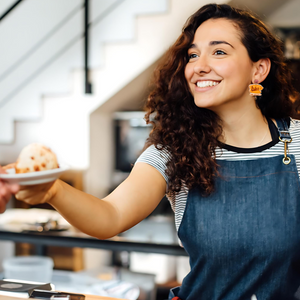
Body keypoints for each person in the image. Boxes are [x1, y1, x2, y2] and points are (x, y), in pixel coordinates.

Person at [2, 3, 300, 300]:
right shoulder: (175, 151)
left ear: (258, 69)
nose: (199, 66)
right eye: (193, 55)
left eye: (219, 51)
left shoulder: (296, 142)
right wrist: (53, 191)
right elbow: (110, 216)